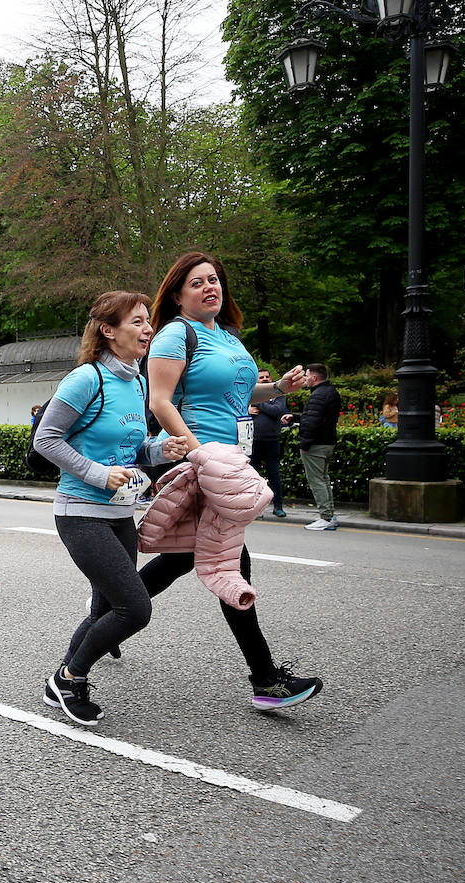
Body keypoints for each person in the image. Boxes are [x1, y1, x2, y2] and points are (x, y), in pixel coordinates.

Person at [144, 251, 323, 711]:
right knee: (231, 562)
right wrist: (197, 450)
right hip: (196, 460)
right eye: (198, 282)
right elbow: (161, 402)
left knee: (185, 559)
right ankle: (265, 679)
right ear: (179, 294)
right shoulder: (174, 334)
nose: (211, 288)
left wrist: (280, 389)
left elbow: (239, 394)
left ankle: (110, 612)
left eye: (215, 280)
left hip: (228, 459)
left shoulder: (227, 337)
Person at [32, 291, 188, 725]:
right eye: (137, 322)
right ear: (108, 331)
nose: (147, 330)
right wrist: (99, 474)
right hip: (80, 513)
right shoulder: (86, 379)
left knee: (105, 609)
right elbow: (46, 440)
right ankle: (70, 677)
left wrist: (160, 450)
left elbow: (130, 448)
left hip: (121, 514)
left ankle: (60, 681)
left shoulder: (137, 382)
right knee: (135, 609)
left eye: (147, 322)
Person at [298, 363, 342, 531]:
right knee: (324, 479)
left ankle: (325, 517)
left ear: (314, 378)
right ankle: (330, 515)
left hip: (316, 444)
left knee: (317, 481)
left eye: (307, 375)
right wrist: (295, 418)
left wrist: (305, 444)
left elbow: (313, 422)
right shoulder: (330, 392)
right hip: (328, 441)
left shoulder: (317, 395)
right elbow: (317, 417)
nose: (305, 378)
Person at [249, 369, 291, 518]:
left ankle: (278, 506)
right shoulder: (249, 395)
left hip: (272, 441)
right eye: (262, 377)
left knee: (274, 474)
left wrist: (258, 404)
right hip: (253, 441)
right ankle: (254, 508)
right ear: (256, 380)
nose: (265, 379)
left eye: (267, 377)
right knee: (252, 475)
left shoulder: (279, 395)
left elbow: (276, 411)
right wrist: (248, 408)